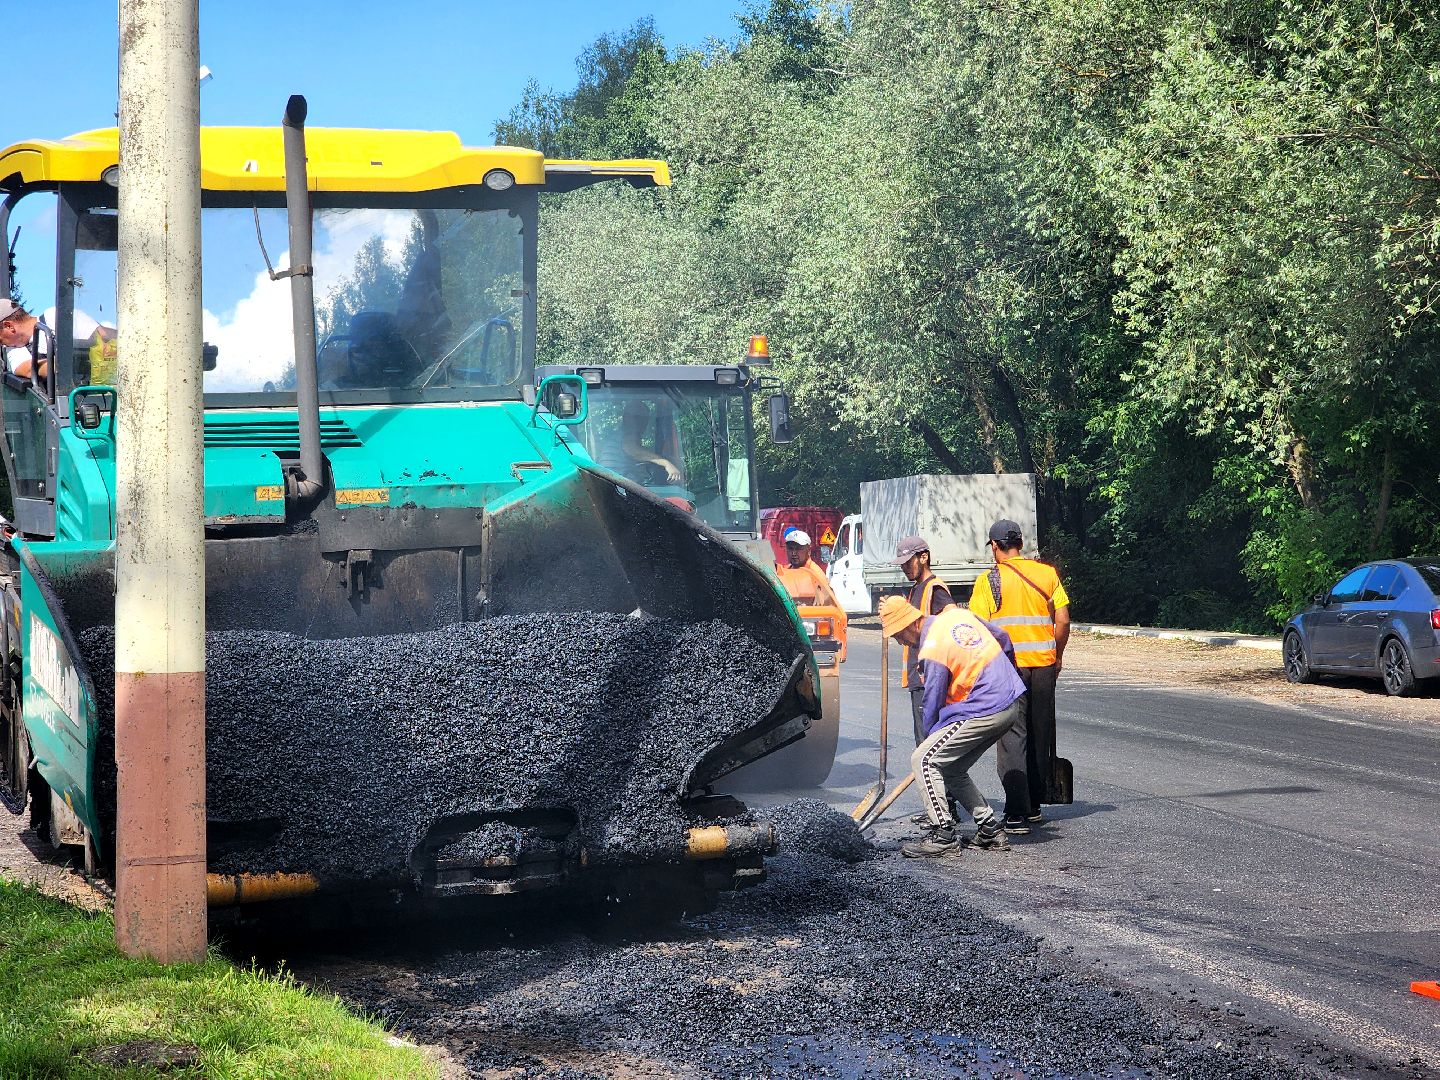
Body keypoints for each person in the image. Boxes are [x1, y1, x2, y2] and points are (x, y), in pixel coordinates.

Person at [878, 595, 1026, 858]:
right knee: (952, 768)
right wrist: (1008, 677)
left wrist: (929, 740)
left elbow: (932, 700)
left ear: (911, 623)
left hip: (986, 706)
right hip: (1009, 703)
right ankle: (990, 829)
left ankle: (943, 834)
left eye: (899, 635)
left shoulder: (933, 649)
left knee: (923, 759)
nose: (901, 642)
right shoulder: (957, 615)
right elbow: (1002, 636)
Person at [968, 518, 1071, 835]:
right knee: (1040, 734)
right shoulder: (1047, 574)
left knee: (1013, 737)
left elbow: (977, 627)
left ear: (995, 547)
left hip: (1008, 670)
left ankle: (1015, 814)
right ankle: (1035, 806)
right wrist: (1058, 655)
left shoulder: (989, 581)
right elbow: (1063, 621)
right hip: (1043, 666)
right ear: (1021, 545)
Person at [890, 535, 956, 747]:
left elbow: (952, 621)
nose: (905, 568)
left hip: (929, 678)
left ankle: (932, 779)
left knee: (929, 743)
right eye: (902, 565)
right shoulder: (915, 589)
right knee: (924, 740)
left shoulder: (934, 589)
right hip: (919, 678)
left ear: (924, 557)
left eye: (909, 562)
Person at [620, 397, 683, 483]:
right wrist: (666, 463)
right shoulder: (627, 436)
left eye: (645, 419)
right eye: (638, 418)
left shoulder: (621, 436)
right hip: (618, 487)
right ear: (626, 418)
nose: (642, 423)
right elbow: (635, 451)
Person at [0, 301, 48, 380]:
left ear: (9, 326)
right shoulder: (13, 350)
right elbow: (29, 369)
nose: (2, 345)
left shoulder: (56, 317)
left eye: (0, 340)